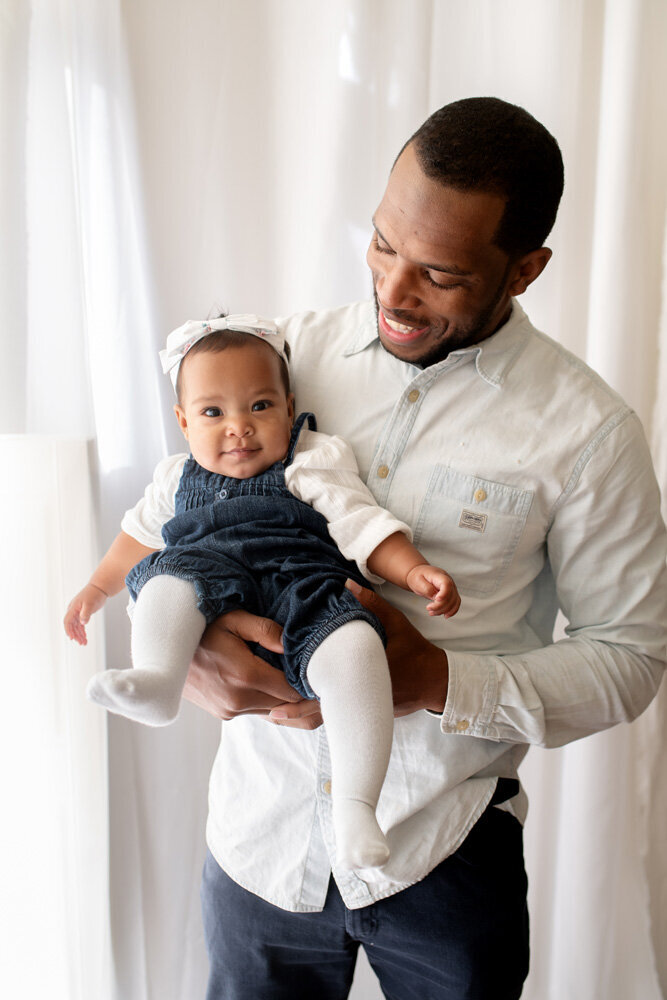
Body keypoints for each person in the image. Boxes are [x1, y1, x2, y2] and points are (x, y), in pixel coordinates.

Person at [182, 98, 667, 999]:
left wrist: (436, 681)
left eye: (439, 274)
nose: (393, 292)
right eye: (380, 245)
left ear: (524, 269)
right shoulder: (284, 356)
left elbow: (630, 659)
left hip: (442, 854)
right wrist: (187, 651)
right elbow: (183, 508)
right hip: (261, 841)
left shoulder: (591, 432)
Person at [64, 316, 460, 870]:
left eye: (260, 407)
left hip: (298, 584)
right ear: (182, 422)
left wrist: (414, 570)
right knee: (163, 578)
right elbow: (134, 538)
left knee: (356, 647)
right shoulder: (174, 478)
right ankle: (158, 681)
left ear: (290, 407)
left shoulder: (313, 458)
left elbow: (360, 523)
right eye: (213, 412)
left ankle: (356, 805)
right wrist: (96, 587)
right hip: (207, 577)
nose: (239, 428)